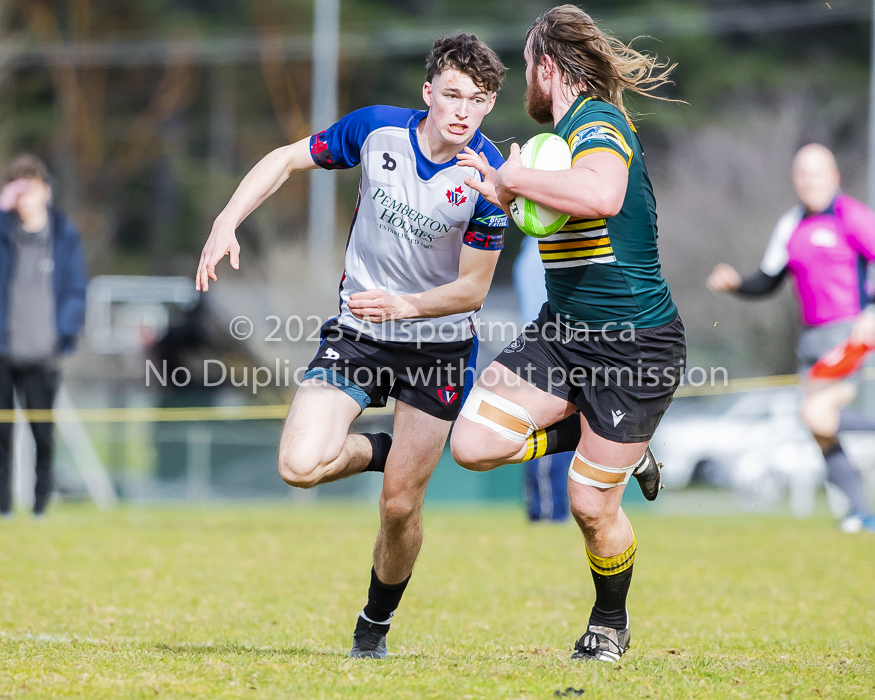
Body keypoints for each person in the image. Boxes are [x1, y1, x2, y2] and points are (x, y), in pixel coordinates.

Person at [196, 35, 509, 658]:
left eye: (476, 101)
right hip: (359, 333)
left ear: (489, 106)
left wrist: (408, 305)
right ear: (428, 93)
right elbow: (285, 159)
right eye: (451, 95)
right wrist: (226, 221)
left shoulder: (490, 180)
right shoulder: (376, 132)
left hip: (438, 348)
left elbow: (473, 291)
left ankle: (375, 625)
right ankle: (388, 449)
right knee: (298, 466)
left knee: (398, 507)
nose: (462, 111)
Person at [451, 5, 686, 663]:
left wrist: (513, 176)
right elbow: (552, 208)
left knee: (588, 503)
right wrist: (503, 193)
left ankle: (609, 623)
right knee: (472, 444)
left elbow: (603, 195)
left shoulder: (598, 123)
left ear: (545, 68)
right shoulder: (555, 143)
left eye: (526, 65)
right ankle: (614, 442)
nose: (524, 77)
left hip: (634, 344)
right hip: (561, 333)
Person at [707, 143, 875, 533]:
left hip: (848, 331)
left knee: (816, 414)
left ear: (833, 178)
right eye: (802, 175)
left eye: (817, 174)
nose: (809, 182)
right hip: (811, 338)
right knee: (820, 428)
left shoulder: (852, 216)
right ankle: (861, 513)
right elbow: (768, 279)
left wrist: (870, 311)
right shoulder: (790, 224)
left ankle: (860, 511)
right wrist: (735, 283)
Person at [0, 155, 88, 517]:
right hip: (4, 354)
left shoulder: (64, 235)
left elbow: (76, 289)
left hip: (44, 354)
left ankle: (40, 506)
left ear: (45, 192)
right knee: (2, 438)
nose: (23, 199)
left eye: (30, 189)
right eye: (17, 191)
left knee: (43, 437)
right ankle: (3, 508)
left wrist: (62, 334)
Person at [514, 236, 570, 522]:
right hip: (551, 349)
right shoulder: (543, 249)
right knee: (549, 434)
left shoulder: (530, 249)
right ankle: (547, 512)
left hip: (546, 347)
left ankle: (546, 509)